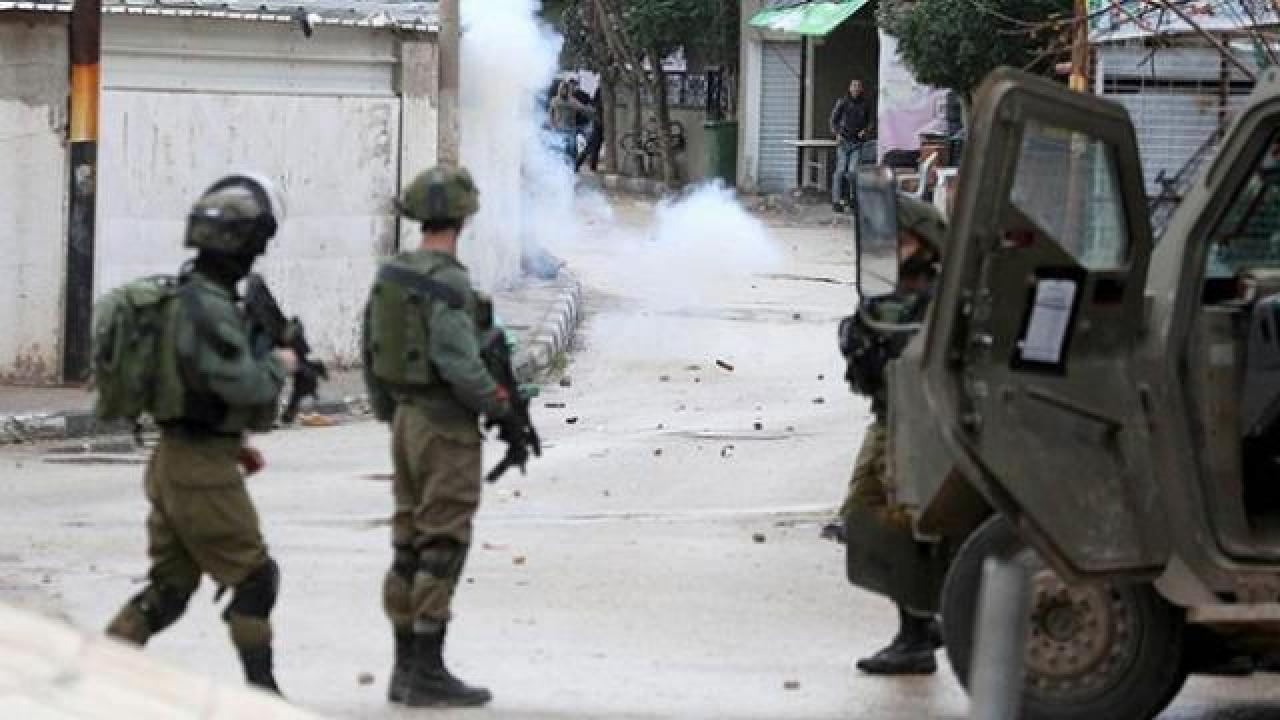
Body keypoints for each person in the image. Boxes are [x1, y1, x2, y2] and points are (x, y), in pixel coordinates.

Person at [105, 174, 297, 694]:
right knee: (256, 578)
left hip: (175, 460)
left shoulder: (186, 296)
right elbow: (241, 384)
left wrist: (235, 445)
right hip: (199, 471)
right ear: (243, 243)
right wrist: (281, 365)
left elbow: (193, 387)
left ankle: (89, 682)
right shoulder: (210, 309)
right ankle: (263, 699)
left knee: (169, 589)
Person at [363, 165, 512, 708]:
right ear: (463, 218)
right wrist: (498, 405)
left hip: (404, 419)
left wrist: (391, 412)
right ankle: (427, 667)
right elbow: (457, 361)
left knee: (407, 540)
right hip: (444, 425)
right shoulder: (449, 283)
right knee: (442, 541)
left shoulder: (392, 273)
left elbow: (370, 351)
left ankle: (405, 668)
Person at [836, 194, 946, 675]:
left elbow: (903, 353)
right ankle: (926, 618)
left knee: (900, 524)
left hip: (916, 425)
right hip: (890, 418)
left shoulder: (933, 292)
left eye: (900, 240)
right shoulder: (892, 288)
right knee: (862, 514)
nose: (889, 248)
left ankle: (915, 637)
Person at [831, 79, 874, 213]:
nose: (855, 89)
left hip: (857, 143)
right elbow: (833, 121)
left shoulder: (865, 104)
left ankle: (852, 199)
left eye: (858, 87)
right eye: (853, 86)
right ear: (849, 88)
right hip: (844, 141)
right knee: (840, 171)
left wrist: (865, 131)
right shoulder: (842, 102)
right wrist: (837, 133)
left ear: (861, 89)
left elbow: (871, 122)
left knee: (852, 172)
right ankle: (836, 201)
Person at [549, 80, 591, 166]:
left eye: (565, 89)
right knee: (559, 149)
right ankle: (560, 166)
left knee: (572, 149)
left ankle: (571, 166)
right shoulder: (555, 100)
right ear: (559, 90)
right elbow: (551, 112)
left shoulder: (572, 101)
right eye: (562, 89)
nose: (563, 91)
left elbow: (582, 108)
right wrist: (552, 124)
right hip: (559, 129)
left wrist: (588, 110)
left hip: (570, 129)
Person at [576, 86, 605, 174]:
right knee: (592, 145)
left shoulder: (600, 90)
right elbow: (594, 103)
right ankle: (578, 164)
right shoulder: (601, 90)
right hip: (599, 121)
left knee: (596, 145)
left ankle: (593, 166)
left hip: (600, 121)